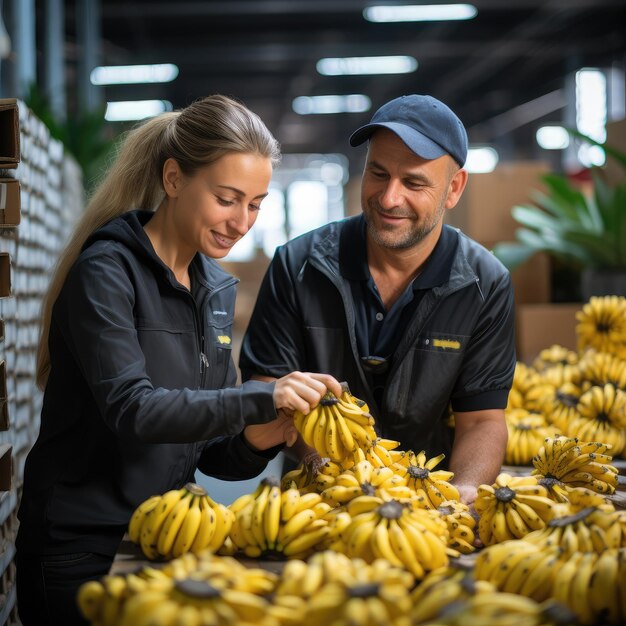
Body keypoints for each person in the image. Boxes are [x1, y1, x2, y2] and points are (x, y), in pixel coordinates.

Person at [15, 94, 341, 626]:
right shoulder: (107, 272)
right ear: (173, 179)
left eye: (256, 203)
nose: (242, 221)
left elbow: (204, 451)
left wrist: (261, 434)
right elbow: (134, 410)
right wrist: (261, 395)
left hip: (162, 537)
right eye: (227, 198)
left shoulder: (214, 288)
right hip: (80, 547)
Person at [239, 94, 515, 506]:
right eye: (378, 173)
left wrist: (464, 492)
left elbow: (482, 420)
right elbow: (265, 387)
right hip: (314, 502)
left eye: (415, 182)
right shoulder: (298, 265)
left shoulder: (484, 284)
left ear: (454, 188)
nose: (389, 198)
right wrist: (330, 473)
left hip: (430, 502)